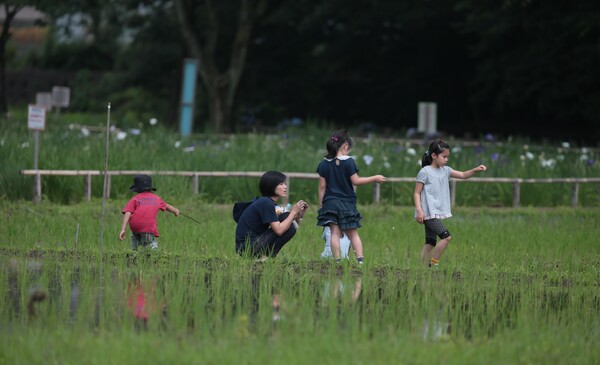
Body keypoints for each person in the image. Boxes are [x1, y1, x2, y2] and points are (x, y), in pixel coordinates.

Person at [413, 139, 487, 267]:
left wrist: (475, 170)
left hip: (434, 213)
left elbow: (463, 175)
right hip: (428, 213)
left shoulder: (446, 170)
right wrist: (419, 210)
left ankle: (421, 269)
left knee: (430, 243)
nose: (446, 159)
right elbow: (417, 193)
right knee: (446, 237)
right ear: (434, 156)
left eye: (448, 156)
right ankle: (433, 264)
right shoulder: (425, 172)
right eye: (444, 156)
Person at [316, 130, 386, 264]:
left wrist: (322, 204)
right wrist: (374, 178)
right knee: (353, 234)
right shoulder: (349, 162)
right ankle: (360, 261)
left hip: (330, 203)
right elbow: (356, 181)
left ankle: (337, 261)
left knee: (334, 234)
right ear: (345, 145)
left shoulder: (323, 164)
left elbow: (322, 187)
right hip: (346, 203)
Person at [235, 171, 308, 261]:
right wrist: (293, 212)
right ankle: (263, 258)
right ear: (271, 186)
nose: (285, 187)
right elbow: (279, 231)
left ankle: (263, 258)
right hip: (247, 248)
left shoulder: (267, 202)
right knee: (287, 218)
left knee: (287, 219)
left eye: (285, 184)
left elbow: (293, 226)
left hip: (251, 245)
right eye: (281, 184)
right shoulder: (266, 203)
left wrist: (300, 214)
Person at [119, 174, 180, 250]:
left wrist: (123, 229)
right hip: (147, 226)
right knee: (149, 242)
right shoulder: (157, 199)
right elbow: (167, 206)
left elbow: (128, 212)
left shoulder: (135, 199)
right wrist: (175, 211)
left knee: (135, 237)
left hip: (135, 226)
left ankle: (134, 251)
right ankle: (153, 249)